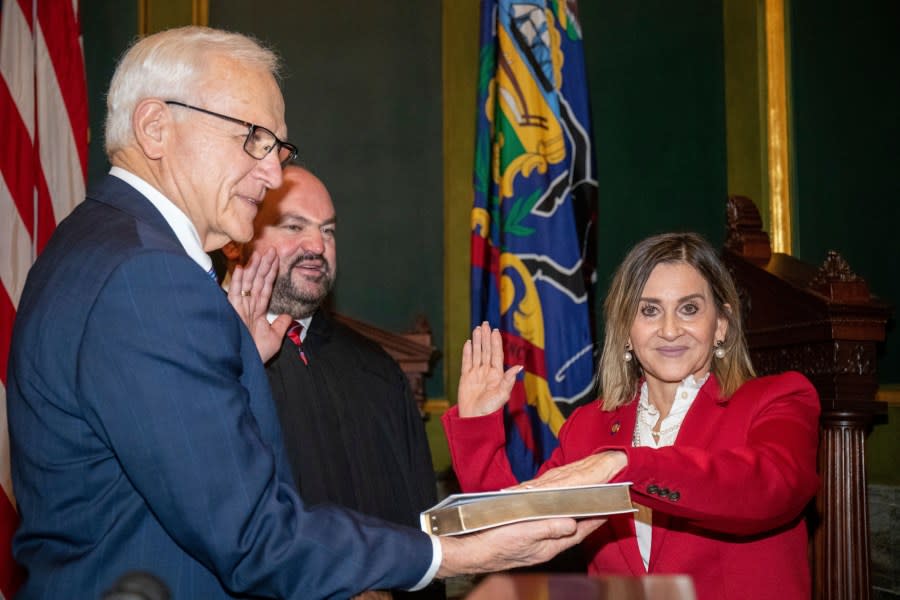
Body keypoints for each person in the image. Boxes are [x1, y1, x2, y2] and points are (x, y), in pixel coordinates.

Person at [5, 26, 601, 599]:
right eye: (254, 138)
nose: (272, 172)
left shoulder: (94, 245)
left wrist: (237, 361)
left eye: (278, 146)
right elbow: (253, 537)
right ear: (156, 126)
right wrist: (466, 551)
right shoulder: (148, 275)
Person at [443, 232, 820, 599]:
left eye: (689, 309)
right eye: (649, 310)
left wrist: (623, 464)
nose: (670, 329)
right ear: (625, 330)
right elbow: (516, 532)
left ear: (720, 324)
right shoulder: (587, 427)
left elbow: (771, 490)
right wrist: (478, 425)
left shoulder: (779, 398)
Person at [225, 166, 442, 598]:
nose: (318, 247)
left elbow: (419, 523)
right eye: (293, 227)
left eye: (328, 230)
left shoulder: (376, 372)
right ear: (237, 240)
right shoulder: (207, 355)